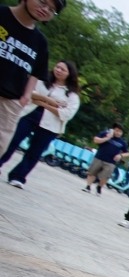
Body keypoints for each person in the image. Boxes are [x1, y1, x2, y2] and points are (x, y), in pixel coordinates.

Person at [1, 59, 79, 189]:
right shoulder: (42, 81)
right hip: (29, 114)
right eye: (57, 67)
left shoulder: (72, 95)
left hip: (50, 125)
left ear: (69, 74)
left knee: (34, 152)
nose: (58, 70)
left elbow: (66, 114)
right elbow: (29, 93)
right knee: (11, 141)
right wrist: (50, 101)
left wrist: (42, 103)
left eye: (63, 69)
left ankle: (18, 177)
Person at [0, 0, 61, 159]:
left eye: (52, 10)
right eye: (43, 2)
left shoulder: (40, 42)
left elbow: (37, 72)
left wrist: (26, 96)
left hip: (10, 101)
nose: (45, 9)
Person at [84, 123, 129, 195]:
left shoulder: (122, 142)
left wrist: (120, 155)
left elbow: (127, 153)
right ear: (112, 130)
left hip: (111, 162)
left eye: (120, 132)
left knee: (105, 177)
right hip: (99, 158)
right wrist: (107, 138)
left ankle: (99, 187)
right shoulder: (104, 134)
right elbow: (95, 140)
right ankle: (88, 186)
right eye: (117, 130)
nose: (118, 133)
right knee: (92, 173)